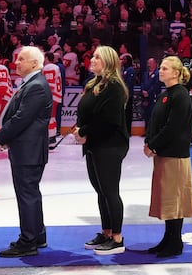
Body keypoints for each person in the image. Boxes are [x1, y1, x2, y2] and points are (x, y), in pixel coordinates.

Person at [0, 46, 53, 257]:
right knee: (31, 194)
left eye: (21, 59)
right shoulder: (32, 83)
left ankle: (28, 241)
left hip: (28, 151)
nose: (16, 63)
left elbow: (22, 118)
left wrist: (1, 136)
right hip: (27, 150)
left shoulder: (36, 86)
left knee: (26, 195)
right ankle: (37, 235)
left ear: (34, 64)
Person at [74, 45, 130, 255]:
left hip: (110, 145)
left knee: (110, 191)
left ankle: (117, 238)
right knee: (101, 191)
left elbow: (110, 121)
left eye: (97, 57)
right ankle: (106, 232)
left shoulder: (113, 87)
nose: (93, 59)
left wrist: (84, 131)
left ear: (107, 61)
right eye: (93, 55)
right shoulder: (93, 84)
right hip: (94, 144)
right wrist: (81, 130)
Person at [143, 56, 192, 257]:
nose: (160, 71)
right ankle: (168, 238)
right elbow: (155, 121)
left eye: (165, 68)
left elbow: (172, 127)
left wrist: (154, 145)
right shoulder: (166, 94)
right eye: (161, 68)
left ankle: (175, 241)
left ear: (176, 73)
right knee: (167, 199)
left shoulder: (180, 95)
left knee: (175, 200)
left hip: (174, 154)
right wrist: (149, 142)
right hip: (164, 153)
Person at [43, 52, 63, 147]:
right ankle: (52, 137)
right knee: (52, 117)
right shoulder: (55, 67)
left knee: (50, 117)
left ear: (47, 58)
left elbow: (49, 84)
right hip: (56, 95)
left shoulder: (49, 67)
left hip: (51, 96)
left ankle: (51, 138)